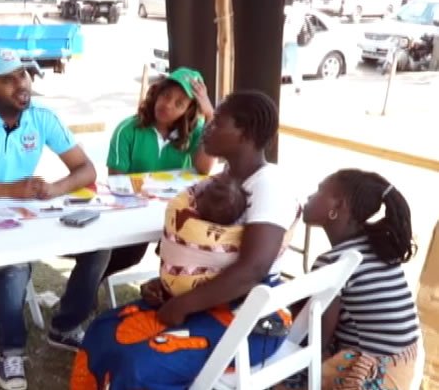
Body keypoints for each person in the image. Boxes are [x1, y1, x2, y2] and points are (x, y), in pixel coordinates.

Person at [71, 90, 301, 390]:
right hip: (211, 302)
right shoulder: (226, 179)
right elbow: (203, 254)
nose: (207, 128)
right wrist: (168, 285)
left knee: (141, 365)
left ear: (244, 134)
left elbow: (253, 270)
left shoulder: (269, 186)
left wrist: (183, 304)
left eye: (217, 122)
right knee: (104, 328)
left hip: (249, 319)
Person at [0, 47, 107, 390]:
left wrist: (55, 188)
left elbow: (85, 169)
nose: (21, 84)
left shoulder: (41, 115)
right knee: (15, 265)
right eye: (7, 80)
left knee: (98, 246)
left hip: (28, 214)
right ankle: (11, 351)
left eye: (22, 74)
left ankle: (65, 325)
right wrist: (8, 189)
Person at [281, 169, 421, 389]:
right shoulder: (376, 247)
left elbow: (318, 339)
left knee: (276, 370)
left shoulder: (334, 262)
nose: (309, 196)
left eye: (319, 191)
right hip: (402, 363)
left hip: (370, 375)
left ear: (338, 207)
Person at [102, 67, 215, 282]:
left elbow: (204, 169)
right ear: (156, 94)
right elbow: (117, 181)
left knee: (192, 243)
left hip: (175, 212)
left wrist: (210, 116)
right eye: (165, 95)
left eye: (179, 103)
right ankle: (92, 282)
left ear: (189, 110)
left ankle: (170, 285)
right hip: (135, 211)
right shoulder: (128, 129)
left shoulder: (195, 131)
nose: (167, 105)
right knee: (131, 255)